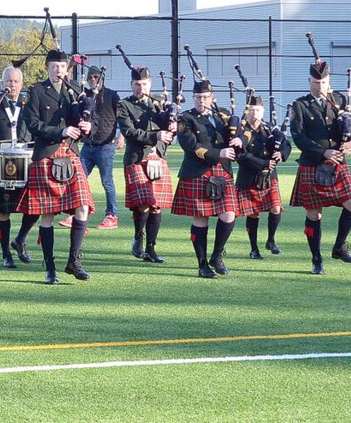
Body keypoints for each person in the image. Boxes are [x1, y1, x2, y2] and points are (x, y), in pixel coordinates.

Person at [17, 49, 95, 285]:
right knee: (48, 214)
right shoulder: (36, 91)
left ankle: (74, 261)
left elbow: (85, 121)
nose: (58, 71)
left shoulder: (75, 91)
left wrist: (86, 127)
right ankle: (50, 268)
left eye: (62, 67)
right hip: (47, 154)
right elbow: (31, 123)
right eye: (54, 66)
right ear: (47, 68)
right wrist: (60, 131)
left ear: (67, 69)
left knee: (82, 206)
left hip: (70, 153)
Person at [289, 58, 351, 275]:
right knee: (314, 215)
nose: (319, 86)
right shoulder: (300, 105)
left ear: (328, 81)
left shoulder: (340, 100)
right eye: (315, 82)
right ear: (309, 81)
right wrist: (323, 152)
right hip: (312, 164)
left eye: (323, 83)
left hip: (339, 164)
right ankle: (316, 259)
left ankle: (339, 246)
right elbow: (298, 137)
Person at [170, 78, 244, 279]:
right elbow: (191, 147)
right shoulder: (184, 119)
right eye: (197, 97)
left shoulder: (222, 116)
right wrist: (217, 154)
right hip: (198, 172)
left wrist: (240, 140)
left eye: (204, 97)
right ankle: (202, 264)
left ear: (212, 98)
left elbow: (242, 133)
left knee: (229, 214)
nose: (200, 101)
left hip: (223, 172)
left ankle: (217, 255)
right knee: (201, 218)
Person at [115, 63, 176, 263]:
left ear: (150, 84)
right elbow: (129, 132)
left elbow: (169, 127)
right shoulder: (124, 105)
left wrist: (173, 125)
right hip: (136, 158)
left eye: (144, 84)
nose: (141, 88)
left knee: (156, 205)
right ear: (131, 85)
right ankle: (138, 236)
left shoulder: (159, 102)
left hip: (157, 157)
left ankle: (151, 248)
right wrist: (156, 134)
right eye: (137, 84)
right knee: (143, 204)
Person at [0, 65, 40, 268]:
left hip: (28, 161)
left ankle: (20, 239)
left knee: (35, 207)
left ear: (21, 84)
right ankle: (6, 253)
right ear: (1, 83)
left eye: (15, 81)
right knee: (3, 212)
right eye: (8, 81)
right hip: (1, 163)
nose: (12, 85)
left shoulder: (30, 105)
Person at [59, 65, 124, 230]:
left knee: (107, 182)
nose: (93, 80)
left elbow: (122, 116)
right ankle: (75, 213)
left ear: (101, 78)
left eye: (96, 77)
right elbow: (67, 83)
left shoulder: (112, 95)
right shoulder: (85, 96)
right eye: (90, 78)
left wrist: (121, 136)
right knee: (78, 180)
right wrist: (69, 67)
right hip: (87, 146)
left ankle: (111, 215)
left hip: (105, 146)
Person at [235, 96, 292, 260]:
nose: (255, 113)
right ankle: (254, 249)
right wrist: (264, 163)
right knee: (253, 214)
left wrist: (281, 153)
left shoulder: (269, 128)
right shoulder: (240, 130)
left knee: (275, 208)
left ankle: (271, 241)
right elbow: (241, 156)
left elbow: (286, 144)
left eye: (258, 110)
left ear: (263, 112)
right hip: (249, 176)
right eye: (252, 110)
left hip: (269, 177)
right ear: (247, 111)